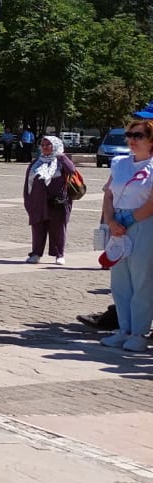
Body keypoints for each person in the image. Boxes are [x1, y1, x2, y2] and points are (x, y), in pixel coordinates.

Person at [100, 118, 153, 351]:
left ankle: (139, 333)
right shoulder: (119, 162)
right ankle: (123, 329)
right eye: (130, 135)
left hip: (143, 223)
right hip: (117, 223)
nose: (132, 140)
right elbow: (109, 194)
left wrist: (131, 219)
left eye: (138, 136)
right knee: (120, 280)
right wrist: (111, 220)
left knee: (142, 280)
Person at [23, 134, 77, 265]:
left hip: (58, 202)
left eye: (48, 145)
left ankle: (59, 254)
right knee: (38, 228)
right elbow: (28, 183)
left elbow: (72, 170)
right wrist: (28, 201)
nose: (45, 147)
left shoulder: (61, 161)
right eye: (43, 145)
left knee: (58, 229)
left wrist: (61, 156)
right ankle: (36, 254)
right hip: (38, 202)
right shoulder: (36, 162)